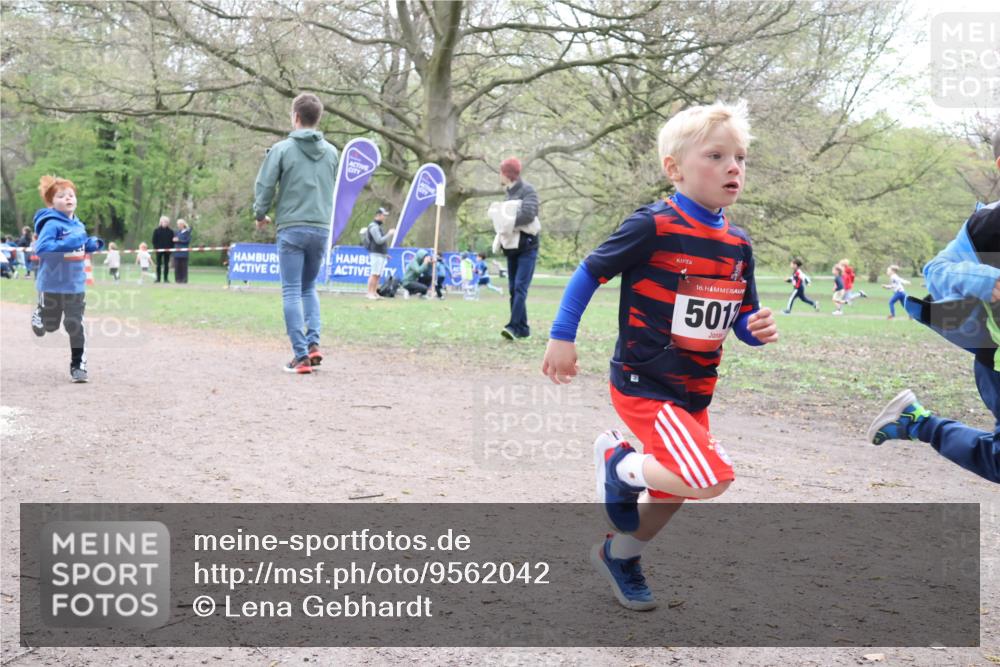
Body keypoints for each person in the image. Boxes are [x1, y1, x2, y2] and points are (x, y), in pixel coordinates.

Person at [541, 101, 778, 610]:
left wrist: (755, 329)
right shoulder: (653, 225)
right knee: (711, 479)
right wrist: (562, 335)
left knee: (672, 493)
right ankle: (622, 464)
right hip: (643, 382)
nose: (733, 167)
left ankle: (619, 555)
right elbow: (590, 271)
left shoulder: (739, 244)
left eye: (740, 157)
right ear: (675, 168)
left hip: (694, 389)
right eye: (716, 155)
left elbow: (740, 315)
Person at [867, 130, 1000, 485]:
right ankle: (921, 423)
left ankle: (916, 421)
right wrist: (983, 280)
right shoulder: (986, 228)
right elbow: (935, 274)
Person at [254, 92, 339, 374]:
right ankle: (313, 344)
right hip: (320, 228)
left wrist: (260, 213)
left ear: (295, 117)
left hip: (291, 227)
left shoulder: (282, 149)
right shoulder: (332, 152)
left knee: (291, 290)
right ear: (318, 118)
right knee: (308, 287)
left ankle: (300, 356)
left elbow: (265, 186)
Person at [30, 175, 104, 383]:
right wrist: (72, 241)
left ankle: (78, 366)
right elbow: (42, 249)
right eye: (61, 196)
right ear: (51, 202)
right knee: (51, 326)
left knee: (75, 324)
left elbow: (78, 246)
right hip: (51, 284)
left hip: (75, 284)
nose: (68, 198)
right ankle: (40, 314)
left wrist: (91, 243)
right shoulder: (51, 224)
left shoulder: (78, 224)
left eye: (71, 195)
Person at [498, 157, 540, 339]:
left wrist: (506, 224)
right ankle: (523, 328)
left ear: (507, 173)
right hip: (511, 248)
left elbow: (529, 214)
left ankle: (513, 326)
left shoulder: (527, 190)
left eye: (501, 172)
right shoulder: (508, 194)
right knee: (513, 288)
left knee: (520, 288)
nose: (499, 175)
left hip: (527, 247)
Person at [365, 207, 395, 300]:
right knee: (374, 273)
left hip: (380, 254)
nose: (384, 217)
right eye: (383, 215)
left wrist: (385, 254)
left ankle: (374, 293)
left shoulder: (378, 226)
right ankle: (369, 293)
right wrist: (389, 234)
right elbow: (378, 241)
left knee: (378, 274)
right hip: (375, 254)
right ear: (378, 215)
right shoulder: (373, 227)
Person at [152, 215, 173, 283]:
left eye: (167, 222)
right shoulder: (156, 230)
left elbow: (172, 242)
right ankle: (158, 278)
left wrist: (170, 249)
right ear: (161, 222)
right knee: (158, 265)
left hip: (167, 251)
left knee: (166, 265)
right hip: (159, 250)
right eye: (164, 222)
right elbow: (154, 241)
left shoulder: (170, 231)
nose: (165, 223)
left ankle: (166, 279)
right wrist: (156, 248)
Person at [172, 219, 192, 283]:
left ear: (183, 225)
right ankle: (177, 279)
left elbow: (187, 241)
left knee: (184, 267)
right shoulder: (176, 232)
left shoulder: (187, 232)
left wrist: (179, 240)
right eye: (177, 224)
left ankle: (184, 279)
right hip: (176, 253)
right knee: (177, 267)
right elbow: (174, 240)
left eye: (179, 224)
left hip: (184, 253)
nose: (178, 225)